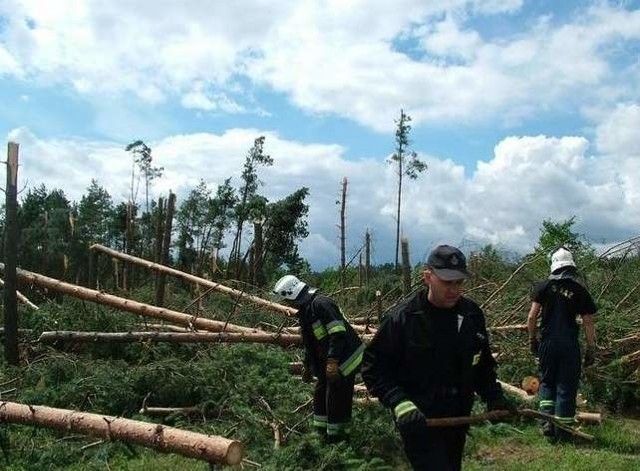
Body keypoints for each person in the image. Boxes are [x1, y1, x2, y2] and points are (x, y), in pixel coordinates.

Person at [361, 245, 513, 470]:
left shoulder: (471, 314)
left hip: (457, 417)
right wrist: (399, 402)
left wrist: (494, 396)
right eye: (447, 282)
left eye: (459, 282)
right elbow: (373, 367)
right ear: (427, 277)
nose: (454, 289)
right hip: (420, 420)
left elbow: (481, 363)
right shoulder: (404, 319)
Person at [273, 274, 365, 443]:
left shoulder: (321, 304)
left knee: (336, 400)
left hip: (346, 359)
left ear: (292, 294)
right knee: (320, 396)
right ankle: (320, 438)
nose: (287, 305)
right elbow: (311, 343)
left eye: (287, 300)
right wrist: (307, 366)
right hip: (329, 362)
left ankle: (339, 443)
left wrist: (332, 362)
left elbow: (338, 333)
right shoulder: (306, 312)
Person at [527, 247, 597, 442]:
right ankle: (564, 433)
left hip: (547, 342)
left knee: (548, 382)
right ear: (571, 266)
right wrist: (591, 348)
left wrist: (532, 340)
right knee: (566, 386)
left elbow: (532, 317)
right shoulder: (579, 290)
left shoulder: (543, 287)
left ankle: (546, 421)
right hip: (569, 344)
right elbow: (589, 321)